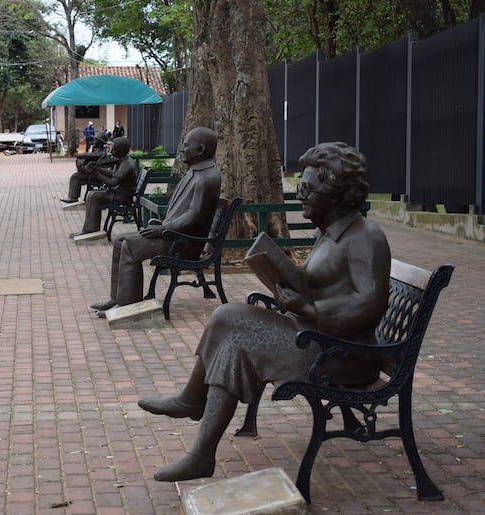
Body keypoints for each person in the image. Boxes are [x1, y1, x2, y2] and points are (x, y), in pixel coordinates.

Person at [137, 141, 391, 482]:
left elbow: (369, 302)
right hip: (317, 337)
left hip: (341, 354)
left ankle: (201, 453)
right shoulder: (330, 234)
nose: (300, 195)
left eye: (306, 189)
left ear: (337, 193)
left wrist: (311, 309)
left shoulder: (365, 236)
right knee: (227, 316)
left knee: (238, 338)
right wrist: (283, 273)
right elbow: (322, 282)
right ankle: (191, 401)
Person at [90, 127, 222, 315]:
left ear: (200, 150)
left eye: (186, 146)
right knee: (120, 240)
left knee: (129, 246)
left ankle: (128, 304)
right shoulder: (196, 172)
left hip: (183, 243)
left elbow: (193, 216)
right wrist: (162, 227)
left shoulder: (207, 177)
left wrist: (163, 229)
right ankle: (117, 297)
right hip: (174, 234)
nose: (182, 150)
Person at [69, 137, 136, 238]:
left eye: (113, 147)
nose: (110, 149)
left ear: (120, 150)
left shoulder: (126, 164)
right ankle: (90, 228)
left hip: (123, 197)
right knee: (93, 195)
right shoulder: (123, 160)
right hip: (118, 192)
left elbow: (113, 182)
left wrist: (97, 174)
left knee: (94, 196)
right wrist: (98, 168)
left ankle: (90, 229)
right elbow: (113, 173)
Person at [61, 131, 112, 203]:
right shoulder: (97, 150)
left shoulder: (101, 152)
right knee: (76, 176)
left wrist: (77, 154)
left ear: (100, 143)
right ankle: (73, 197)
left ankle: (73, 198)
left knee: (75, 177)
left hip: (96, 176)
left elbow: (89, 155)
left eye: (96, 140)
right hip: (93, 173)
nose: (94, 141)